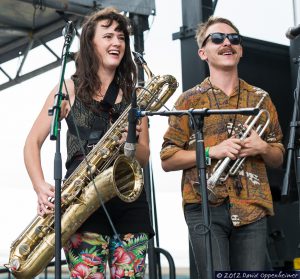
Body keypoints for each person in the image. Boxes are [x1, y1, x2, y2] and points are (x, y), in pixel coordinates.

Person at [24, 7, 154, 278]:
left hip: (130, 200)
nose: (117, 42)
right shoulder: (68, 89)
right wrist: (39, 186)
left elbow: (143, 158)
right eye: (107, 36)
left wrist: (128, 144)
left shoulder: (135, 95)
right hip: (81, 199)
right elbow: (32, 142)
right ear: (90, 43)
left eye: (121, 37)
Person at [160, 16, 285, 277]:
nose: (227, 42)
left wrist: (262, 147)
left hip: (251, 207)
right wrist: (210, 152)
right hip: (204, 205)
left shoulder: (261, 98)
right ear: (203, 52)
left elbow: (278, 156)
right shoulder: (188, 100)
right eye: (217, 38)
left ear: (240, 50)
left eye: (234, 39)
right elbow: (167, 158)